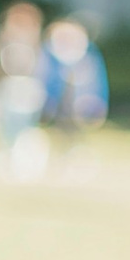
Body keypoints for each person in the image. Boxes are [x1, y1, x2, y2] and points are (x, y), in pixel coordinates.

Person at [0, 0, 49, 176]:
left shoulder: (35, 40)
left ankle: (24, 161)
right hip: (7, 84)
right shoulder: (3, 38)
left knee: (25, 126)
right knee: (7, 125)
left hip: (28, 86)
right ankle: (8, 159)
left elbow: (41, 66)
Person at [42, 12, 108, 154]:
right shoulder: (50, 54)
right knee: (59, 131)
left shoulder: (88, 54)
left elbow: (98, 81)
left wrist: (99, 102)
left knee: (77, 132)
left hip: (81, 102)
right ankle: (61, 154)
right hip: (59, 103)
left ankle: (76, 153)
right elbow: (45, 78)